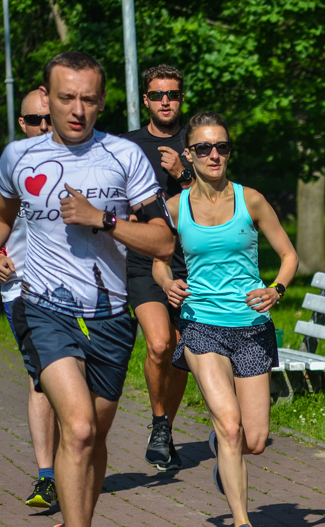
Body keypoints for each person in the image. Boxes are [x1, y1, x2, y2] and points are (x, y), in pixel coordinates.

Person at [0, 52, 174, 527]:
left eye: (89, 99)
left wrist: (103, 219)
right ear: (45, 99)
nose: (78, 109)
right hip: (43, 307)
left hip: (109, 315)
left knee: (93, 441)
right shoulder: (17, 156)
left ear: (102, 101)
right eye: (66, 98)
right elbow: (4, 213)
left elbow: (163, 242)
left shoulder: (124, 158)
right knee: (75, 428)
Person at [153, 112, 297, 527]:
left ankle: (222, 447)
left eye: (221, 147)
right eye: (203, 148)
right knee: (230, 425)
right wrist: (166, 282)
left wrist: (276, 289)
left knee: (253, 439)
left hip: (251, 328)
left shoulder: (250, 200)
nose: (214, 155)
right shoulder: (174, 208)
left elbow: (289, 255)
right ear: (188, 156)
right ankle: (243, 526)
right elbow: (157, 259)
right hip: (201, 326)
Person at [123, 64, 194, 472]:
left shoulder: (198, 143)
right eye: (158, 94)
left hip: (191, 264)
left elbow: (218, 200)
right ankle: (158, 422)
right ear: (146, 100)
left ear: (181, 99)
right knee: (159, 344)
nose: (166, 101)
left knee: (182, 352)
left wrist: (183, 174)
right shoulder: (127, 146)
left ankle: (167, 427)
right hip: (145, 263)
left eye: (173, 94)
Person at [0, 89, 61, 509]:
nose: (44, 127)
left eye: (49, 119)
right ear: (23, 124)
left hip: (75, 289)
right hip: (21, 288)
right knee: (42, 376)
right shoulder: (10, 165)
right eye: (35, 121)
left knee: (81, 380)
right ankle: (47, 477)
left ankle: (75, 460)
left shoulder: (82, 161)